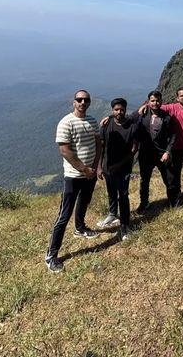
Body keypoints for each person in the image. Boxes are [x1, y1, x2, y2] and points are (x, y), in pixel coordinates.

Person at [45, 90, 101, 273]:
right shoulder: (66, 122)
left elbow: (98, 144)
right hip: (73, 176)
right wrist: (84, 169)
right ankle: (51, 255)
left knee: (84, 202)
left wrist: (94, 167)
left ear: (89, 102)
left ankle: (80, 228)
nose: (82, 102)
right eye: (79, 100)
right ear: (74, 102)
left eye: (86, 100)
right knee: (64, 215)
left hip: (90, 174)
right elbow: (64, 150)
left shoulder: (92, 121)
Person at [98, 98, 139, 240]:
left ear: (125, 110)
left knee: (123, 195)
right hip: (108, 167)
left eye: (122, 109)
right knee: (111, 192)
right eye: (116, 110)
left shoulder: (132, 126)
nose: (119, 112)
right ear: (112, 111)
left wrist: (121, 164)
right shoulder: (107, 124)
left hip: (124, 168)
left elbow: (134, 149)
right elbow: (101, 147)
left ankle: (125, 224)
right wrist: (99, 167)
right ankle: (112, 214)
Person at [134, 91, 177, 213]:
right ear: (148, 102)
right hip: (145, 154)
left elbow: (173, 135)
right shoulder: (142, 115)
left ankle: (172, 200)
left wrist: (168, 151)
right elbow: (126, 119)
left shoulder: (167, 117)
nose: (155, 103)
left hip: (162, 153)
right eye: (152, 101)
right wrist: (110, 117)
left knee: (168, 178)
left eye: (157, 100)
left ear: (161, 102)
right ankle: (144, 203)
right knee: (144, 180)